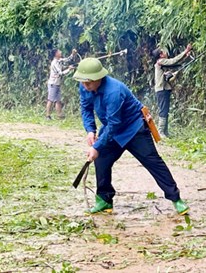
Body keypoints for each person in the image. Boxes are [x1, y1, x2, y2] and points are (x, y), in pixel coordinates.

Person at [73, 57, 189, 215]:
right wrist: (90, 130)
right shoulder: (84, 87)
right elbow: (86, 109)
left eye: (88, 83)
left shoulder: (114, 91)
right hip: (111, 129)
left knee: (153, 161)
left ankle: (176, 199)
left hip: (134, 128)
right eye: (83, 82)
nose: (85, 86)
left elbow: (115, 123)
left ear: (98, 78)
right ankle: (104, 200)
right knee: (101, 160)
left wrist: (96, 146)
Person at [151, 44, 192, 136]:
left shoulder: (162, 63)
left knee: (165, 110)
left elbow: (176, 64)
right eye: (163, 51)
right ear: (161, 55)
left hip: (164, 89)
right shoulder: (160, 61)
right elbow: (173, 61)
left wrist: (186, 57)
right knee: (163, 110)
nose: (166, 52)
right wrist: (185, 51)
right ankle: (160, 132)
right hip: (162, 90)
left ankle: (165, 132)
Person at [46, 48, 77, 119]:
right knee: (50, 100)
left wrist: (73, 54)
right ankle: (48, 115)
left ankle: (59, 115)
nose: (61, 52)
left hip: (57, 84)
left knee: (58, 100)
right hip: (53, 84)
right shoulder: (54, 63)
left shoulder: (59, 61)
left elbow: (68, 59)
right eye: (59, 51)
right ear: (56, 54)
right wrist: (69, 69)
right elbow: (60, 73)